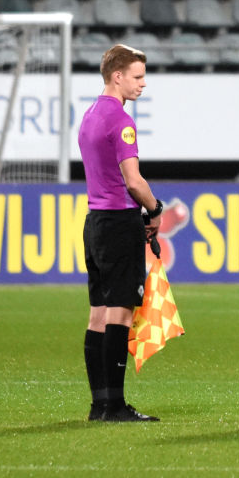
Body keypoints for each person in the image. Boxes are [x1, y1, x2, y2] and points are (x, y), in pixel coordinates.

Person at [79, 44, 163, 422]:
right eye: (137, 76)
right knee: (121, 313)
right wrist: (156, 208)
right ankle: (114, 405)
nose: (143, 84)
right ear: (117, 76)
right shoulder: (121, 121)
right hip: (118, 222)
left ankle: (100, 404)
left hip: (94, 222)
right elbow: (133, 181)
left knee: (98, 313)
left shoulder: (89, 115)